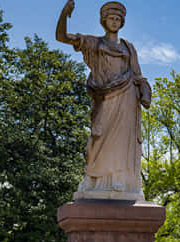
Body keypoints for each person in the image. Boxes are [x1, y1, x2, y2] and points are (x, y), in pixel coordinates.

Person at [56, 0, 150, 197]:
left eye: (118, 19)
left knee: (122, 140)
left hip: (127, 96)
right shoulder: (94, 42)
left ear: (122, 22)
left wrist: (144, 91)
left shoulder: (128, 47)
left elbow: (138, 74)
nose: (115, 22)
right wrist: (64, 14)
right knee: (97, 137)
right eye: (111, 18)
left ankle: (119, 179)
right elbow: (62, 37)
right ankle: (92, 177)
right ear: (104, 21)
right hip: (104, 96)